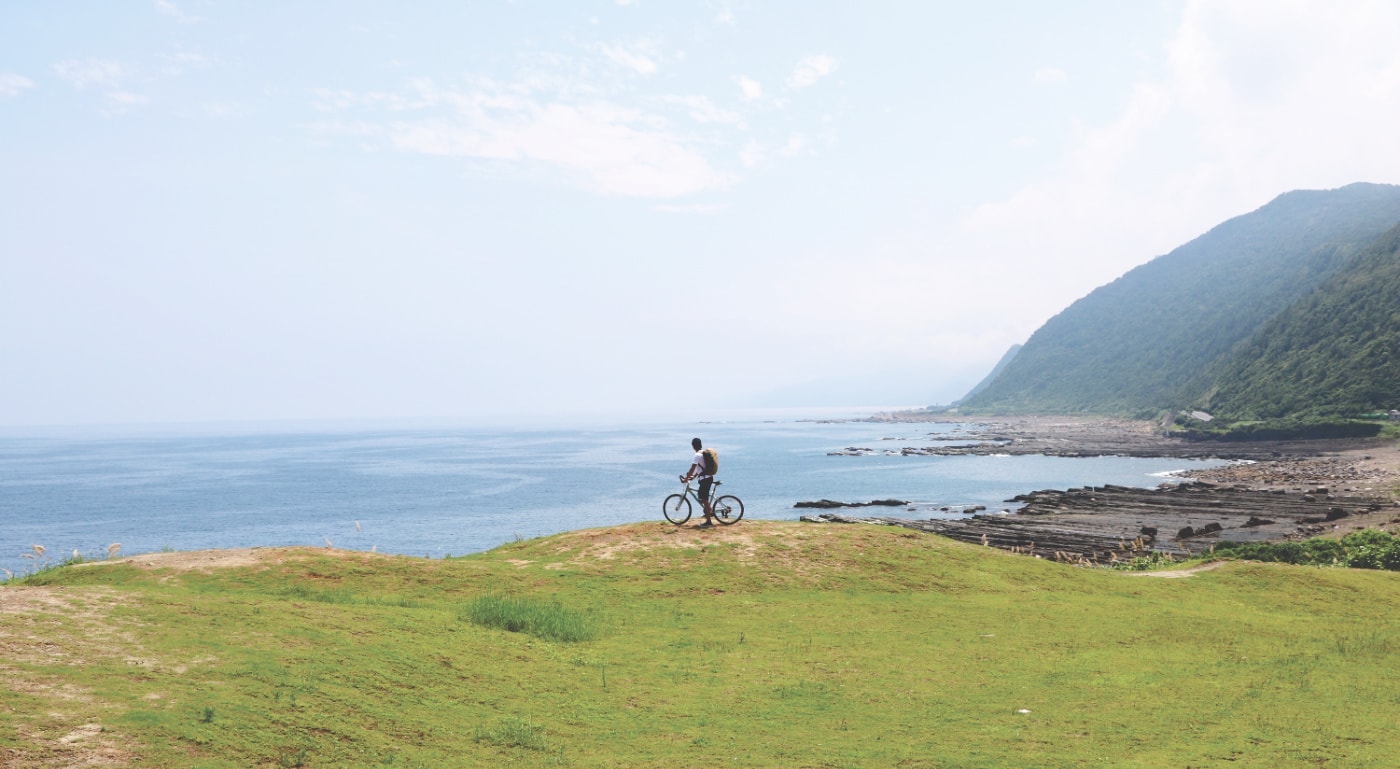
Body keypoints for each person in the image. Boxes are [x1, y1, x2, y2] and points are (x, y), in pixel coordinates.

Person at [682, 437, 716, 527]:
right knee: (702, 497)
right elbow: (701, 468)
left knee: (704, 499)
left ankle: (709, 521)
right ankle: (708, 511)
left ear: (693, 446)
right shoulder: (703, 453)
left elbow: (692, 468)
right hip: (707, 478)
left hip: (705, 479)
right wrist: (693, 477)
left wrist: (686, 479)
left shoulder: (697, 455)